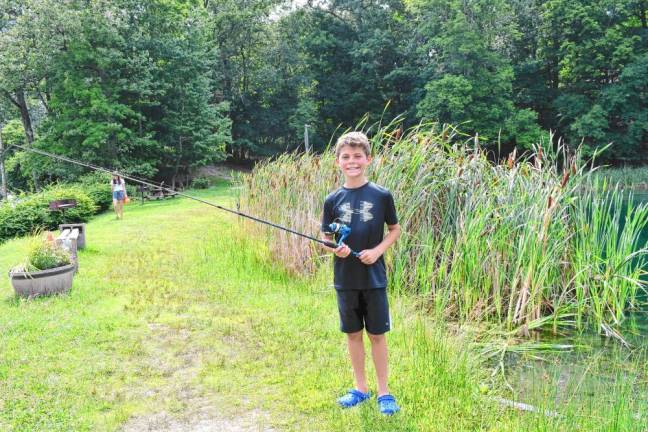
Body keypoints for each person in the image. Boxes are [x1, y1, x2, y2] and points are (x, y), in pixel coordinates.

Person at [321, 131, 402, 415]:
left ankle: (384, 392)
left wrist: (377, 251)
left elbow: (395, 230)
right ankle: (360, 389)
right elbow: (326, 237)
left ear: (368, 159)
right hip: (345, 279)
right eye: (346, 157)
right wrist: (335, 249)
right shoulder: (332, 199)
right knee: (353, 334)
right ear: (337, 162)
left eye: (357, 156)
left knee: (377, 335)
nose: (352, 161)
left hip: (374, 279)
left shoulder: (381, 195)